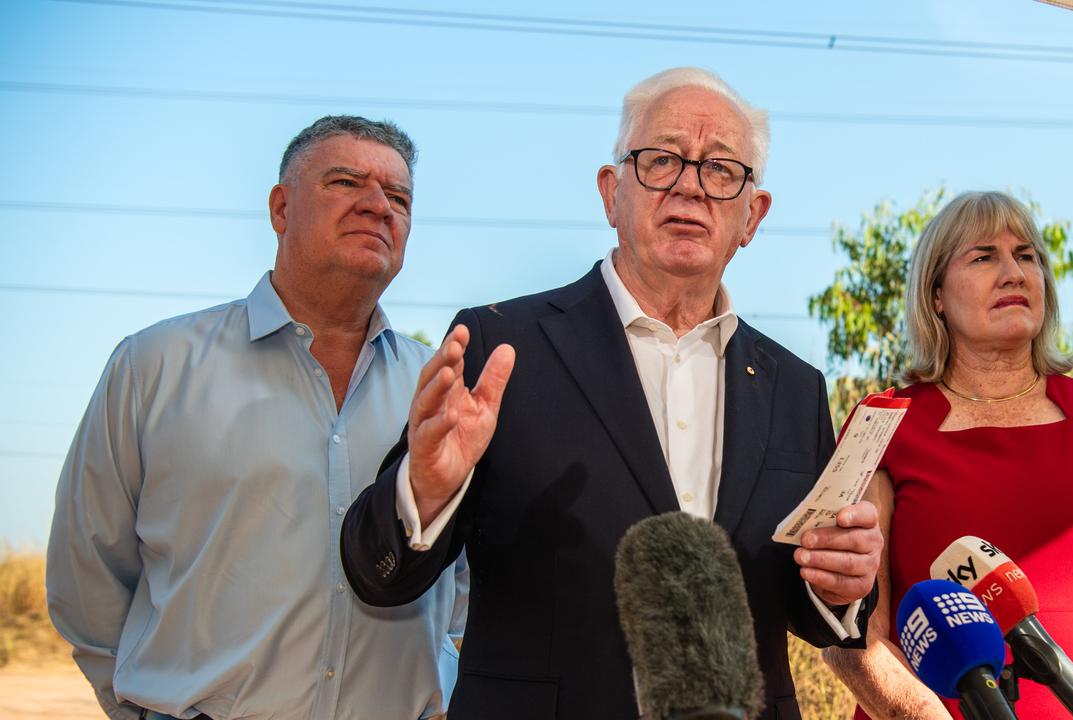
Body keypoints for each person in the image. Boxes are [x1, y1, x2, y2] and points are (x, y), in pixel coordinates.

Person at [339, 67, 882, 720]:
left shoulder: (796, 387)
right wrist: (423, 490)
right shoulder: (499, 347)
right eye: (661, 160)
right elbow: (380, 574)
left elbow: (819, 618)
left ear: (752, 215)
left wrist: (845, 581)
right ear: (611, 192)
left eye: (720, 170)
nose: (689, 185)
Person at [46, 116, 469, 720]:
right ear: (280, 208)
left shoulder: (444, 391)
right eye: (346, 182)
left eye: (398, 197)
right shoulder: (154, 366)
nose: (378, 205)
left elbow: (466, 588)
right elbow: (87, 573)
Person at [823, 191, 1073, 719]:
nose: (1014, 273)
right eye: (984, 257)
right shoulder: (883, 426)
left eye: (1026, 256)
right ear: (935, 294)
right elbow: (848, 634)